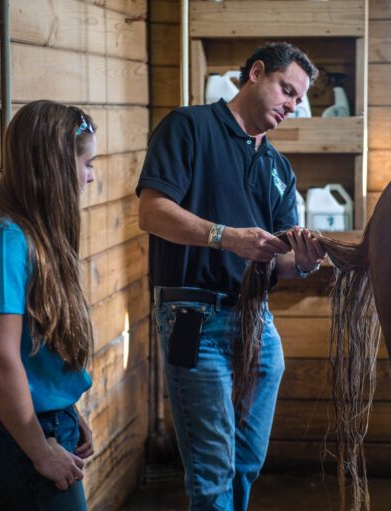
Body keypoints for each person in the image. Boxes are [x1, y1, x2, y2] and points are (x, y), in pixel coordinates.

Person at [136, 42, 326, 510]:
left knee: (244, 463)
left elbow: (277, 257)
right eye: (287, 90)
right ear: (256, 73)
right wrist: (226, 237)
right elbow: (151, 212)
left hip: (254, 319)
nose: (291, 105)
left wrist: (300, 261)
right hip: (191, 319)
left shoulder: (279, 168)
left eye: (298, 100)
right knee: (212, 471)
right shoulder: (189, 128)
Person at [0, 100, 98, 510]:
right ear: (54, 167)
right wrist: (39, 447)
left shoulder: (34, 233)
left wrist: (66, 411)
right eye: (86, 164)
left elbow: (34, 352)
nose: (90, 177)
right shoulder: (6, 241)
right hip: (10, 435)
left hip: (40, 422)